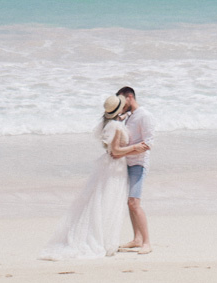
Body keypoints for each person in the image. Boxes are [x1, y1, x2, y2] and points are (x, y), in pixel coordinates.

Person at [39, 95, 149, 260]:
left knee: (105, 201)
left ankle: (108, 239)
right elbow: (115, 152)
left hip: (113, 168)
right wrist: (135, 147)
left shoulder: (111, 123)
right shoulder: (116, 127)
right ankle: (103, 241)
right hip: (115, 169)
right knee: (109, 203)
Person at [115, 84, 154, 254]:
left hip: (138, 163)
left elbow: (149, 143)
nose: (121, 106)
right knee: (129, 203)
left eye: (122, 102)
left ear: (130, 97)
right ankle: (137, 239)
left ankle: (147, 242)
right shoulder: (129, 117)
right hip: (127, 163)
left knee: (134, 202)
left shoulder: (144, 115)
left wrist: (129, 150)